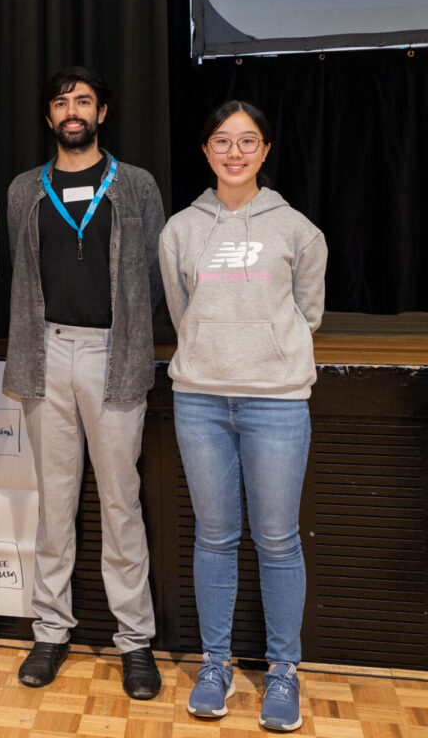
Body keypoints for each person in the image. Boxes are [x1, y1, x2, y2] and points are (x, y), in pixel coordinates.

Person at [159, 100, 326, 733]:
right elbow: (181, 312)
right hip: (199, 400)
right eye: (222, 142)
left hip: (276, 402)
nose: (235, 152)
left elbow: (307, 315)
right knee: (214, 537)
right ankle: (215, 664)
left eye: (247, 141)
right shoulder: (180, 230)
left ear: (265, 150)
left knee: (278, 541)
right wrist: (214, 352)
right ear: (206, 151)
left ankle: (284, 671)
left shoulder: (298, 231)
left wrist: (262, 352)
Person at [3, 67, 165, 697]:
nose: (73, 111)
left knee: (122, 503)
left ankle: (135, 641)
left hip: (112, 357)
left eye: (85, 102)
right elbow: (20, 275)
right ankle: (50, 632)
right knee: (55, 503)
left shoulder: (136, 186)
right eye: (62, 103)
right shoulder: (25, 190)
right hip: (45, 356)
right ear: (49, 118)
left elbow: (154, 271)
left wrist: (119, 333)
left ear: (103, 113)